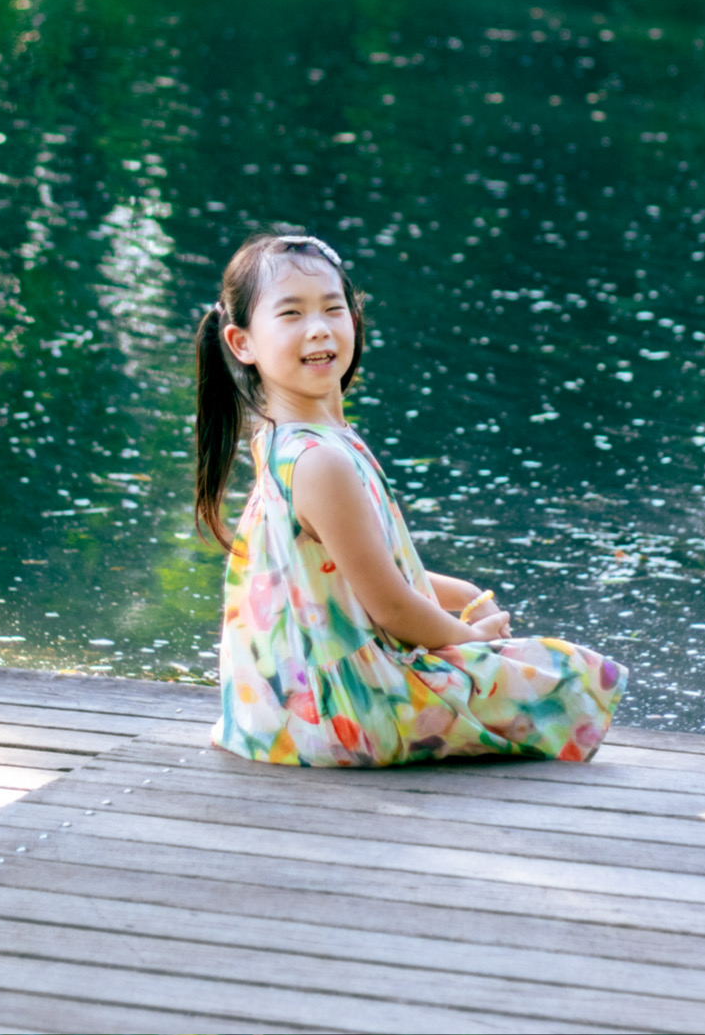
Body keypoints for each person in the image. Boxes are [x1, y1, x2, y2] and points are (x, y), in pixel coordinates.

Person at [194, 227, 627, 767]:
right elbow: (393, 606)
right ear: (242, 343)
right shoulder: (319, 460)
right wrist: (469, 639)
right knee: (569, 674)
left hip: (286, 713)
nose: (318, 329)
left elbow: (365, 571)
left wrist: (466, 593)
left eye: (333, 308)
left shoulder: (292, 438)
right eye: (291, 314)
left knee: (513, 664)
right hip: (344, 715)